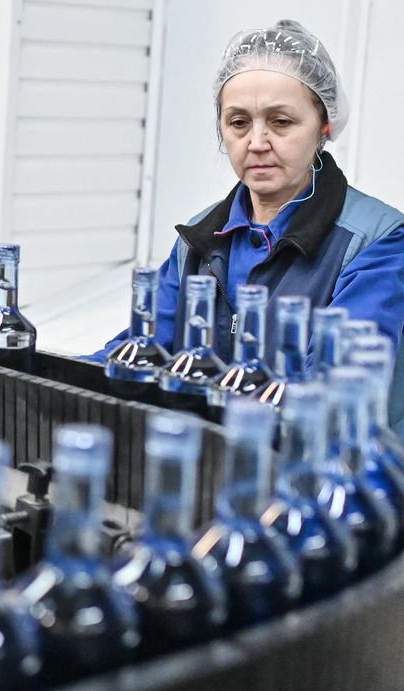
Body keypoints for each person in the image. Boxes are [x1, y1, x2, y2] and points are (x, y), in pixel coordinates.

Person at [92, 19, 404, 432]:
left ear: (324, 127)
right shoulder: (200, 238)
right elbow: (143, 348)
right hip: (213, 457)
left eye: (281, 122)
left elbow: (334, 394)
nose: (257, 143)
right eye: (239, 122)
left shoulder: (378, 241)